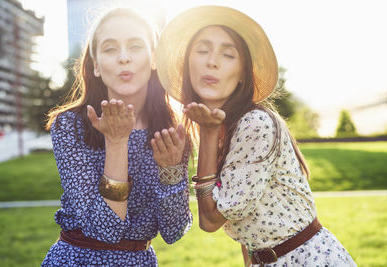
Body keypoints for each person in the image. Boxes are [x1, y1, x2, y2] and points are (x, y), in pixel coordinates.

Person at [156, 5, 356, 267]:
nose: (212, 61)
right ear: (188, 65)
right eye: (202, 50)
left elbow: (211, 220)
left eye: (228, 55)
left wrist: (207, 132)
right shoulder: (225, 130)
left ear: (242, 75)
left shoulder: (255, 123)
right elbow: (246, 234)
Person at [42, 8, 192, 267]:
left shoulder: (172, 133)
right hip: (76, 259)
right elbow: (105, 230)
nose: (124, 58)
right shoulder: (70, 126)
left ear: (154, 58)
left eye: (135, 46)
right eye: (110, 49)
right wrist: (116, 142)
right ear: (97, 66)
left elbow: (174, 232)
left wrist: (171, 171)